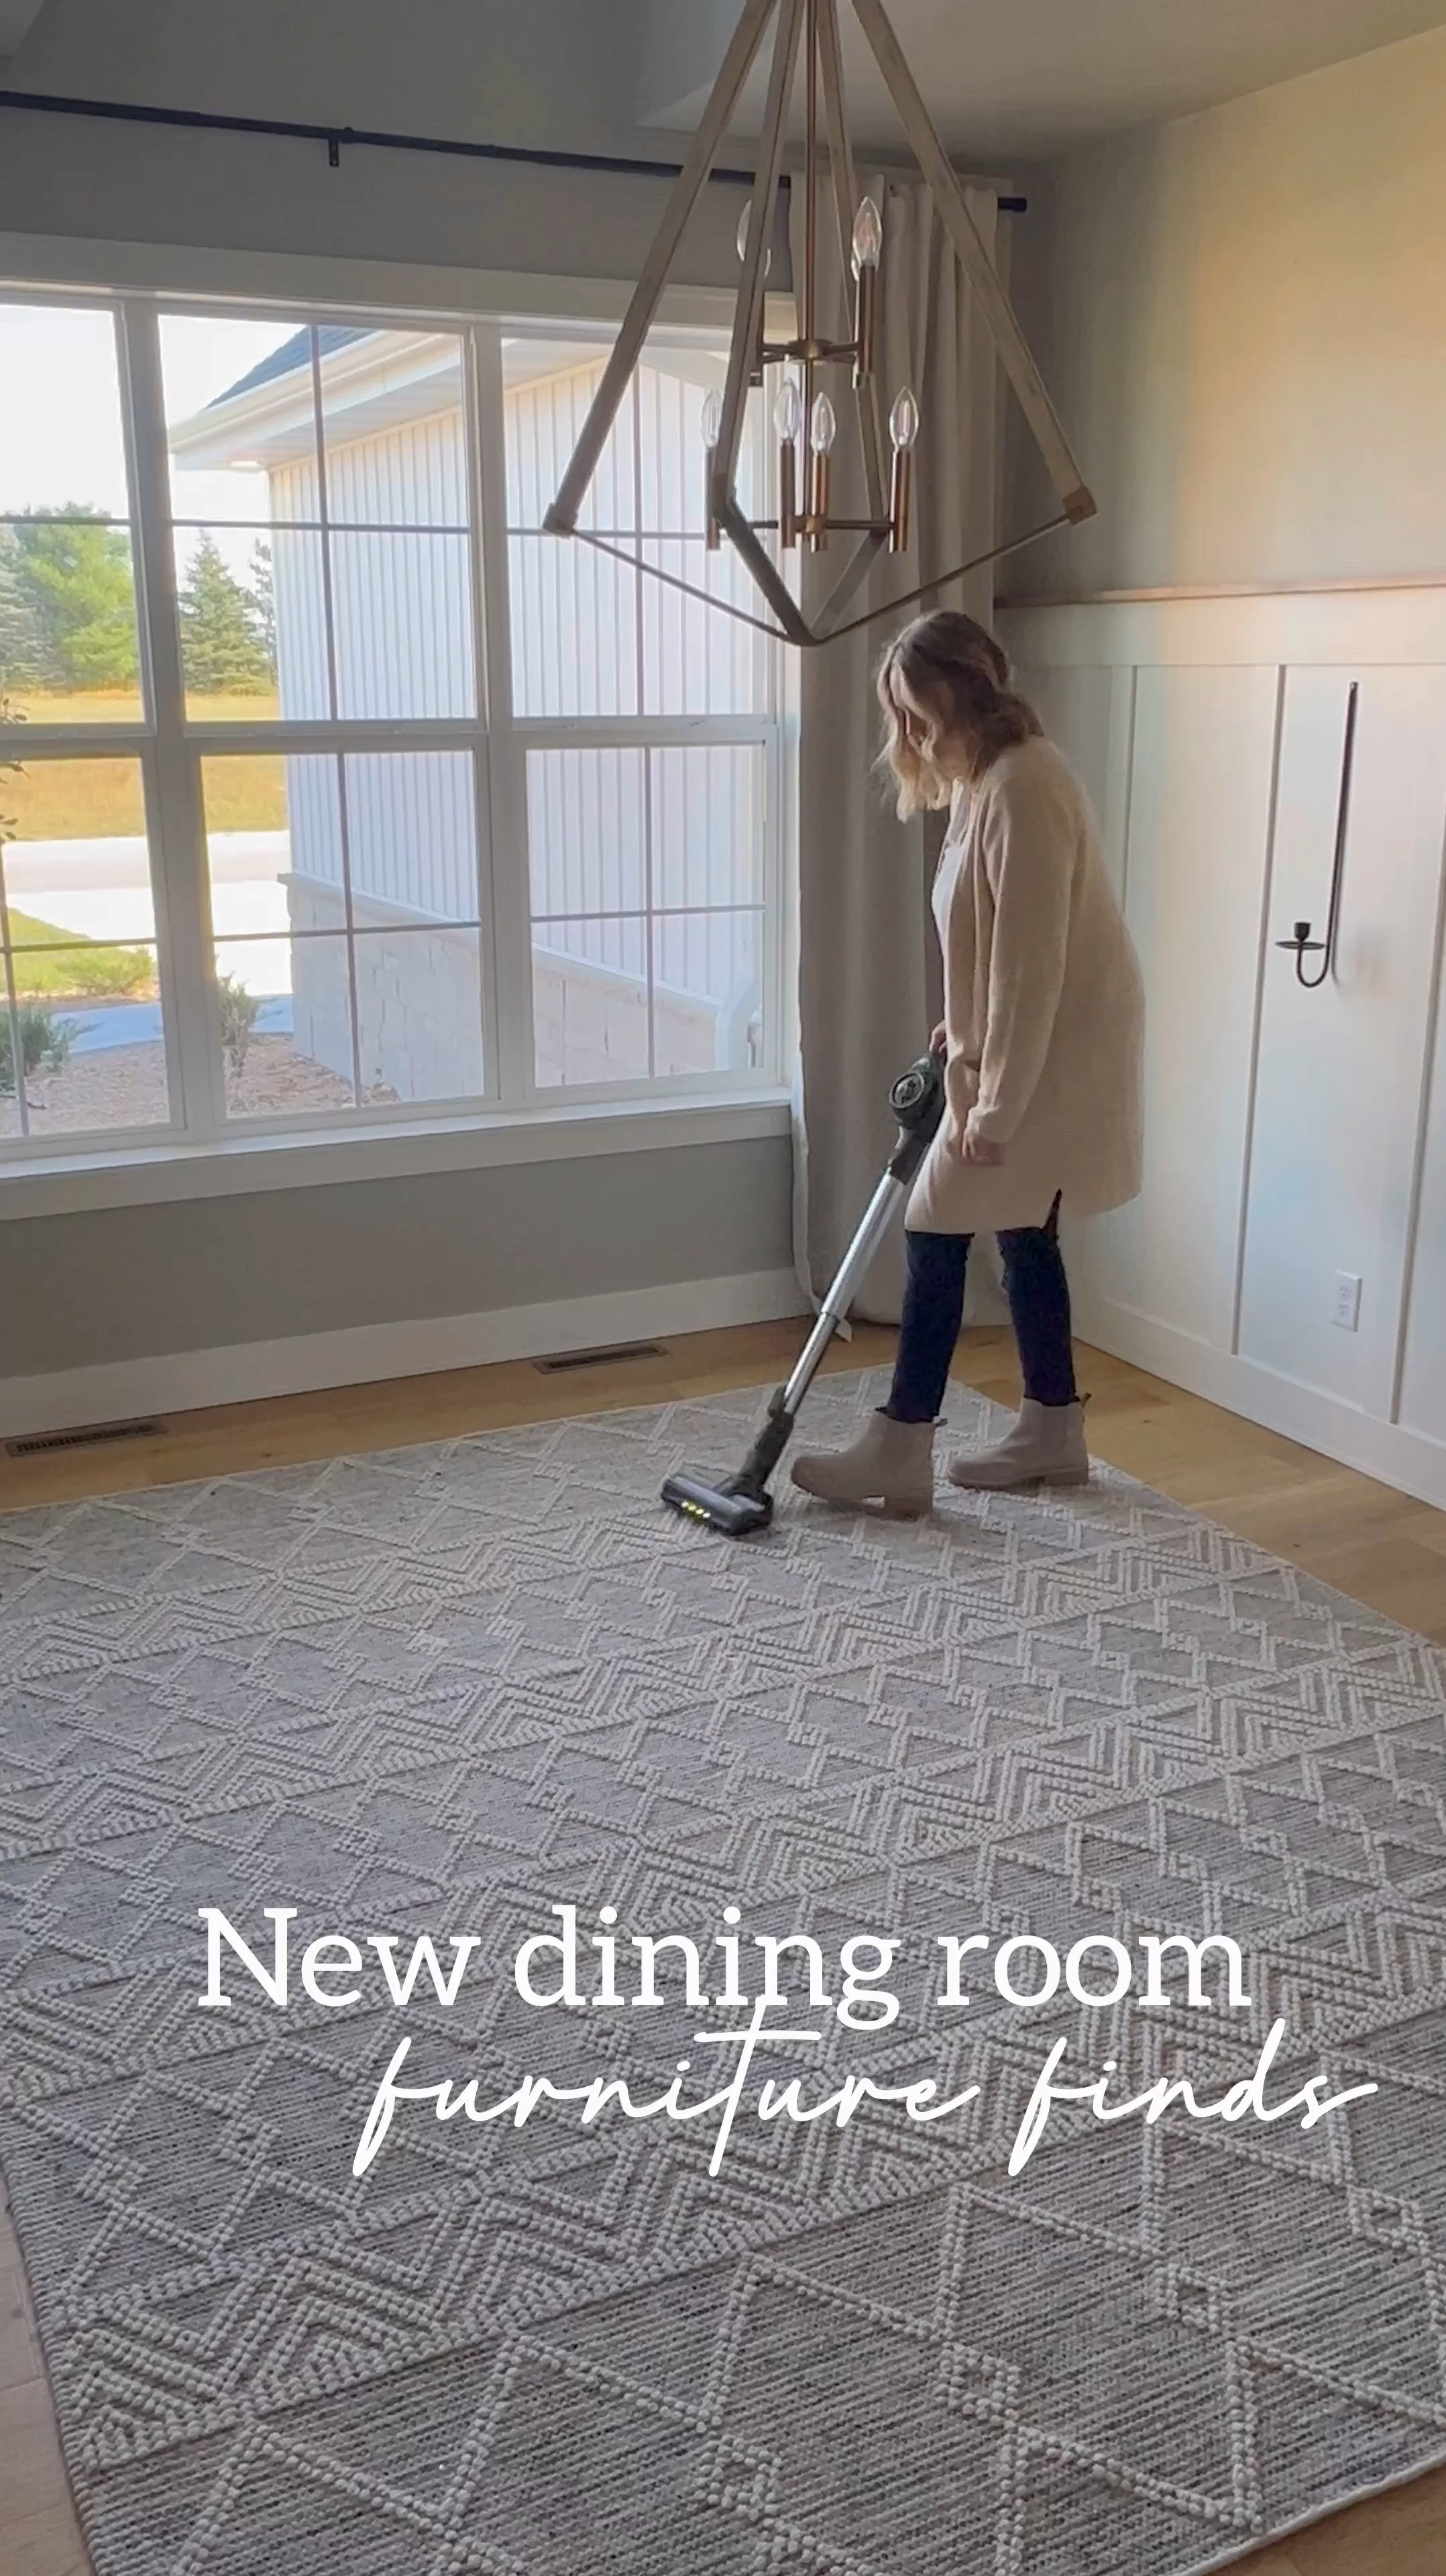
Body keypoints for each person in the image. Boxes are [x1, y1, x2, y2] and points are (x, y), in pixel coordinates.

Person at [791, 608, 1145, 1516]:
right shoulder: (986, 782)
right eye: (899, 718)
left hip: (1054, 1062)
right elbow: (992, 940)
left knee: (933, 1224)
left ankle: (900, 1451)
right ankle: (1053, 1431)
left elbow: (1032, 967)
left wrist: (993, 1112)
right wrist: (962, 1029)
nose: (909, 734)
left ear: (965, 692)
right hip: (1019, 1049)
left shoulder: (1024, 786)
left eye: (918, 713)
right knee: (1027, 1231)